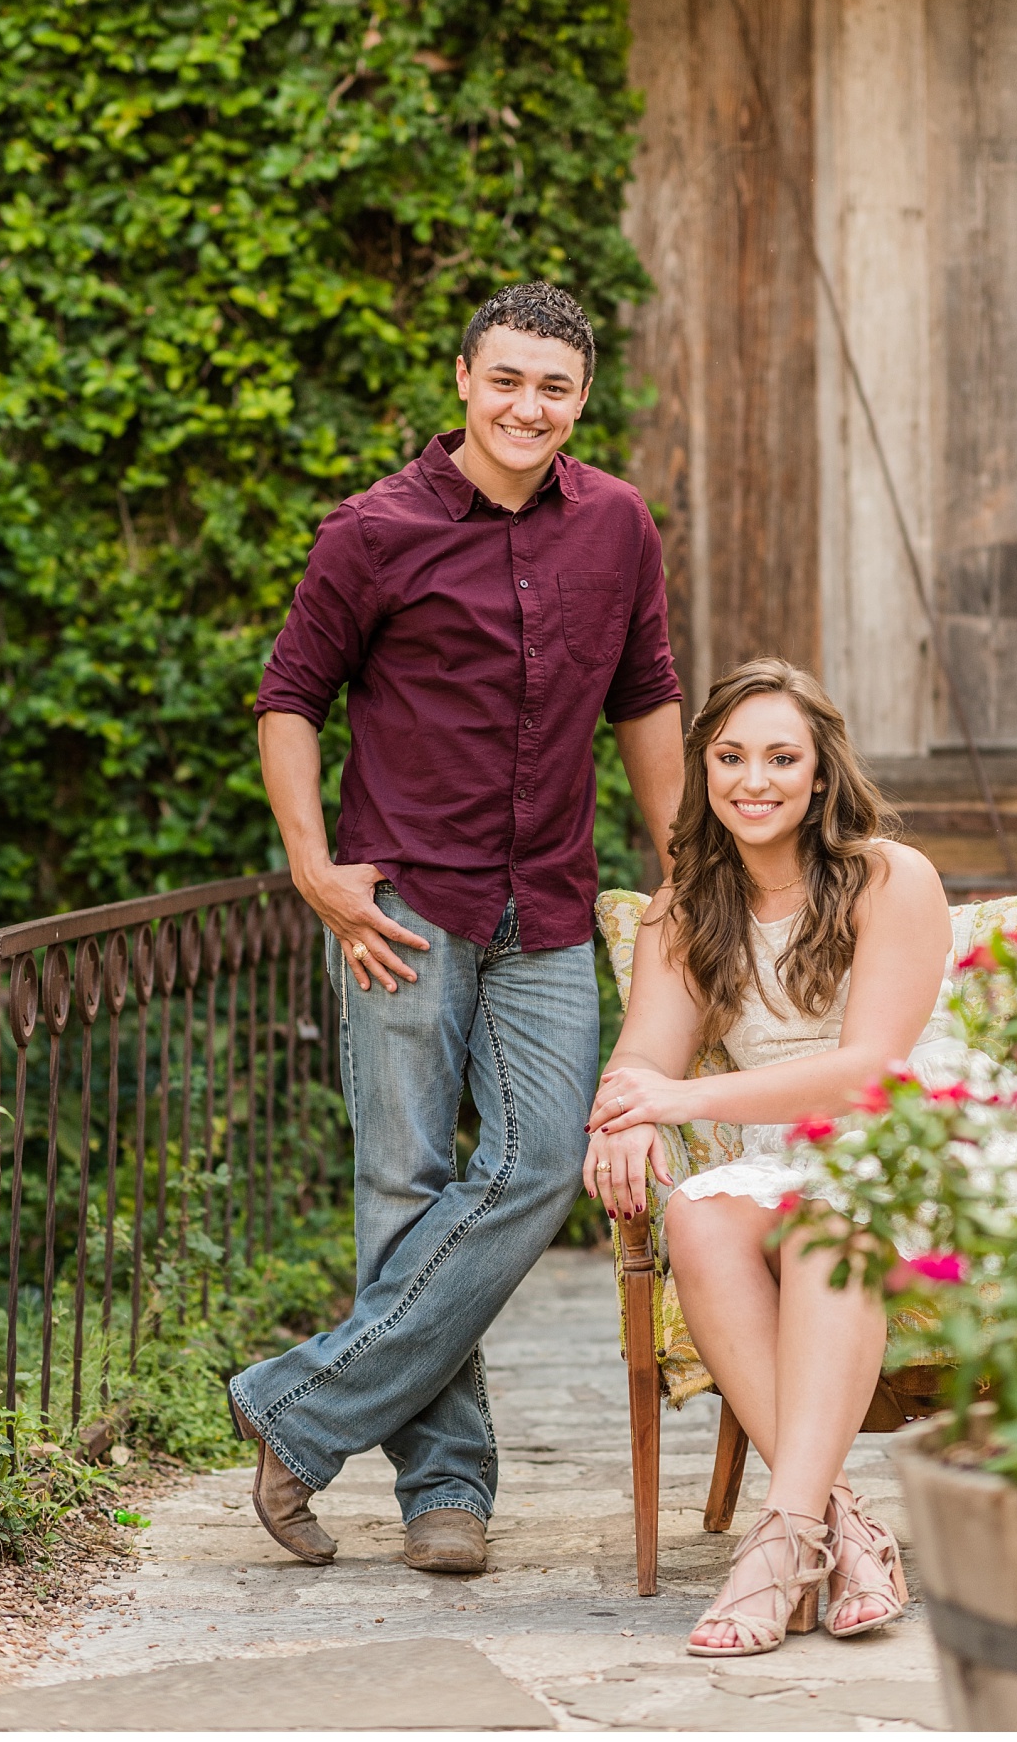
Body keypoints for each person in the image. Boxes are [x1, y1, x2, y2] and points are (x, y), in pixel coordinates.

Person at [229, 280, 685, 1577]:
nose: (527, 406)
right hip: (404, 908)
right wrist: (317, 870)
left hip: (545, 898)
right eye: (506, 380)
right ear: (463, 381)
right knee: (404, 1182)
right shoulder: (371, 532)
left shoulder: (617, 526)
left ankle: (295, 1407)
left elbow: (647, 699)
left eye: (554, 386)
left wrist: (682, 874)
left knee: (545, 1160)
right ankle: (447, 1487)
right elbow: (289, 698)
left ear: (581, 397)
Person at [584, 658, 964, 1656]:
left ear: (818, 773)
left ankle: (779, 1541)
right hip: (772, 1156)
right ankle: (838, 1525)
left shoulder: (890, 876)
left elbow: (868, 1070)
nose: (753, 778)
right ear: (703, 767)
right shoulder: (685, 911)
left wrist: (676, 1099)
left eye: (780, 756)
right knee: (696, 1214)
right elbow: (640, 1059)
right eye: (730, 755)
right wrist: (625, 1114)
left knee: (827, 1225)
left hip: (893, 1144)